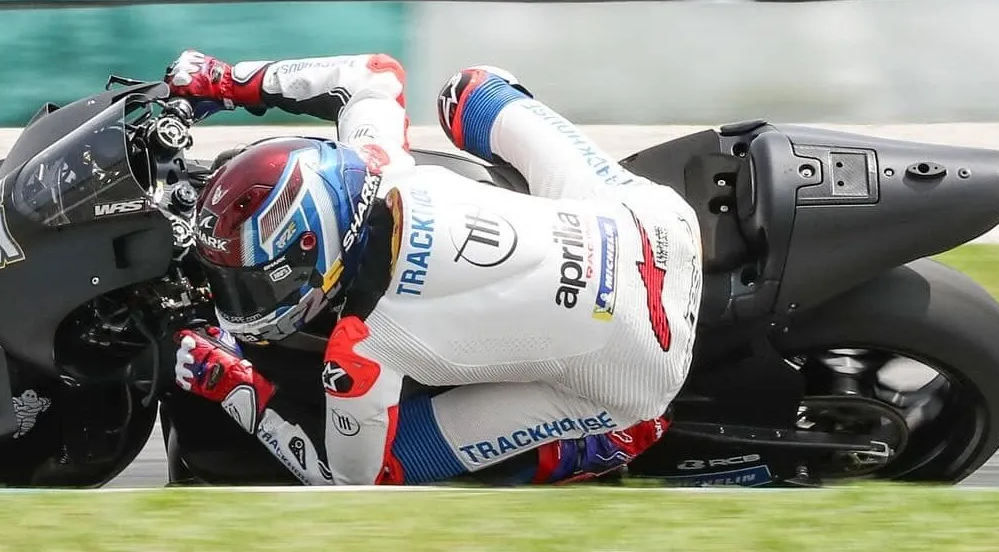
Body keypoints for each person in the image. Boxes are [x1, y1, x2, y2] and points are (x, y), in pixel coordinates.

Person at [164, 50, 704, 486]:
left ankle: (611, 437)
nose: (238, 294)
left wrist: (236, 385)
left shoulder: (359, 348)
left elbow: (352, 479)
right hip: (656, 224)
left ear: (312, 261)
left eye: (249, 280)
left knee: (402, 462)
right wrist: (225, 81)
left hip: (641, 371)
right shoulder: (379, 162)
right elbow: (373, 75)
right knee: (469, 91)